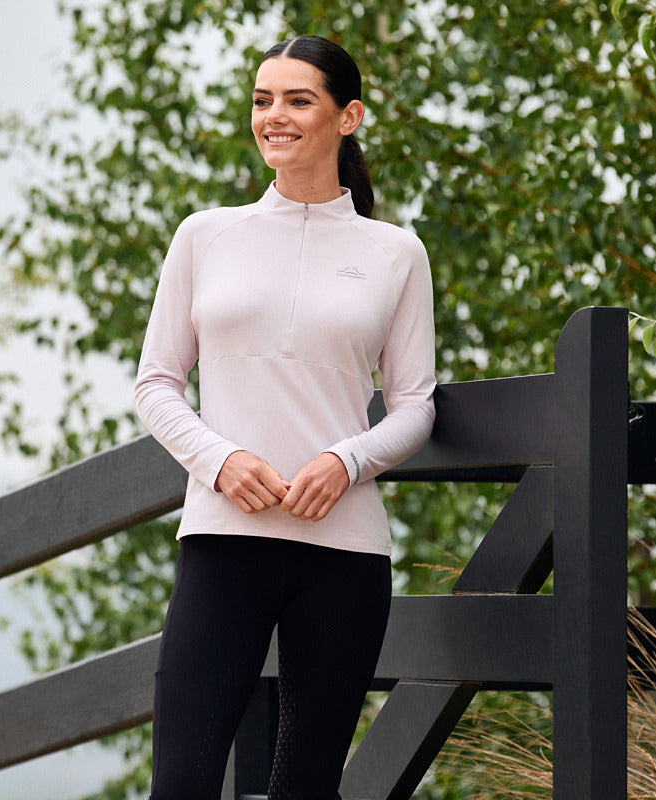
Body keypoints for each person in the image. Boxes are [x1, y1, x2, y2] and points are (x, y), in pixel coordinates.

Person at [135, 34, 436, 800]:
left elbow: (415, 407)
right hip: (223, 542)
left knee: (307, 789)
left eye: (299, 100)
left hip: (343, 554)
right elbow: (157, 383)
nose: (275, 115)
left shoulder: (395, 252)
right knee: (182, 783)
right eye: (263, 100)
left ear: (349, 116)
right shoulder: (205, 235)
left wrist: (347, 461)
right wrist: (219, 460)